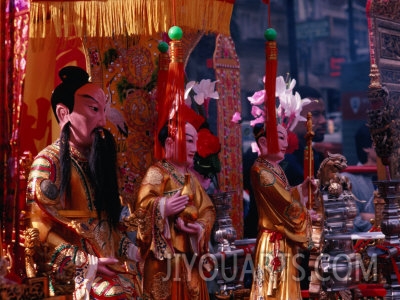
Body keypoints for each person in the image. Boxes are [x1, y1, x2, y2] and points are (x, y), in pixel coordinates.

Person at [25, 66, 141, 299]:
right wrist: (86, 262)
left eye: (105, 110)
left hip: (111, 266)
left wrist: (131, 249)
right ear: (63, 113)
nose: (103, 120)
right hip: (71, 273)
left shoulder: (98, 162)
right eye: (94, 109)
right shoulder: (49, 162)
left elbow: (109, 224)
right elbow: (39, 230)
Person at [134, 118, 216, 299]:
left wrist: (200, 226)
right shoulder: (157, 173)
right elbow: (141, 208)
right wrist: (163, 207)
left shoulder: (191, 179)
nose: (194, 147)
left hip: (190, 259)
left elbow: (208, 209)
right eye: (188, 140)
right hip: (165, 261)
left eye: (195, 141)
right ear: (170, 143)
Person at [249, 123, 318, 300]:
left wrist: (301, 189)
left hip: (282, 240)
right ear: (263, 142)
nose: (286, 143)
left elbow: (286, 196)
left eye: (286, 138)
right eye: (280, 137)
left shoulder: (274, 168)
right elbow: (285, 204)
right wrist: (305, 215)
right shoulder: (261, 171)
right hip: (273, 242)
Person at [280, 86, 327, 186]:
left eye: (323, 114)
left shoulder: (312, 154)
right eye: (315, 114)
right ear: (292, 116)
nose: (323, 121)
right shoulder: (279, 157)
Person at [341, 124, 377, 232]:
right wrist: (383, 220)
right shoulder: (347, 180)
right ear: (367, 147)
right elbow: (351, 221)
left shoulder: (394, 177)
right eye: (383, 142)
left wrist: (368, 216)